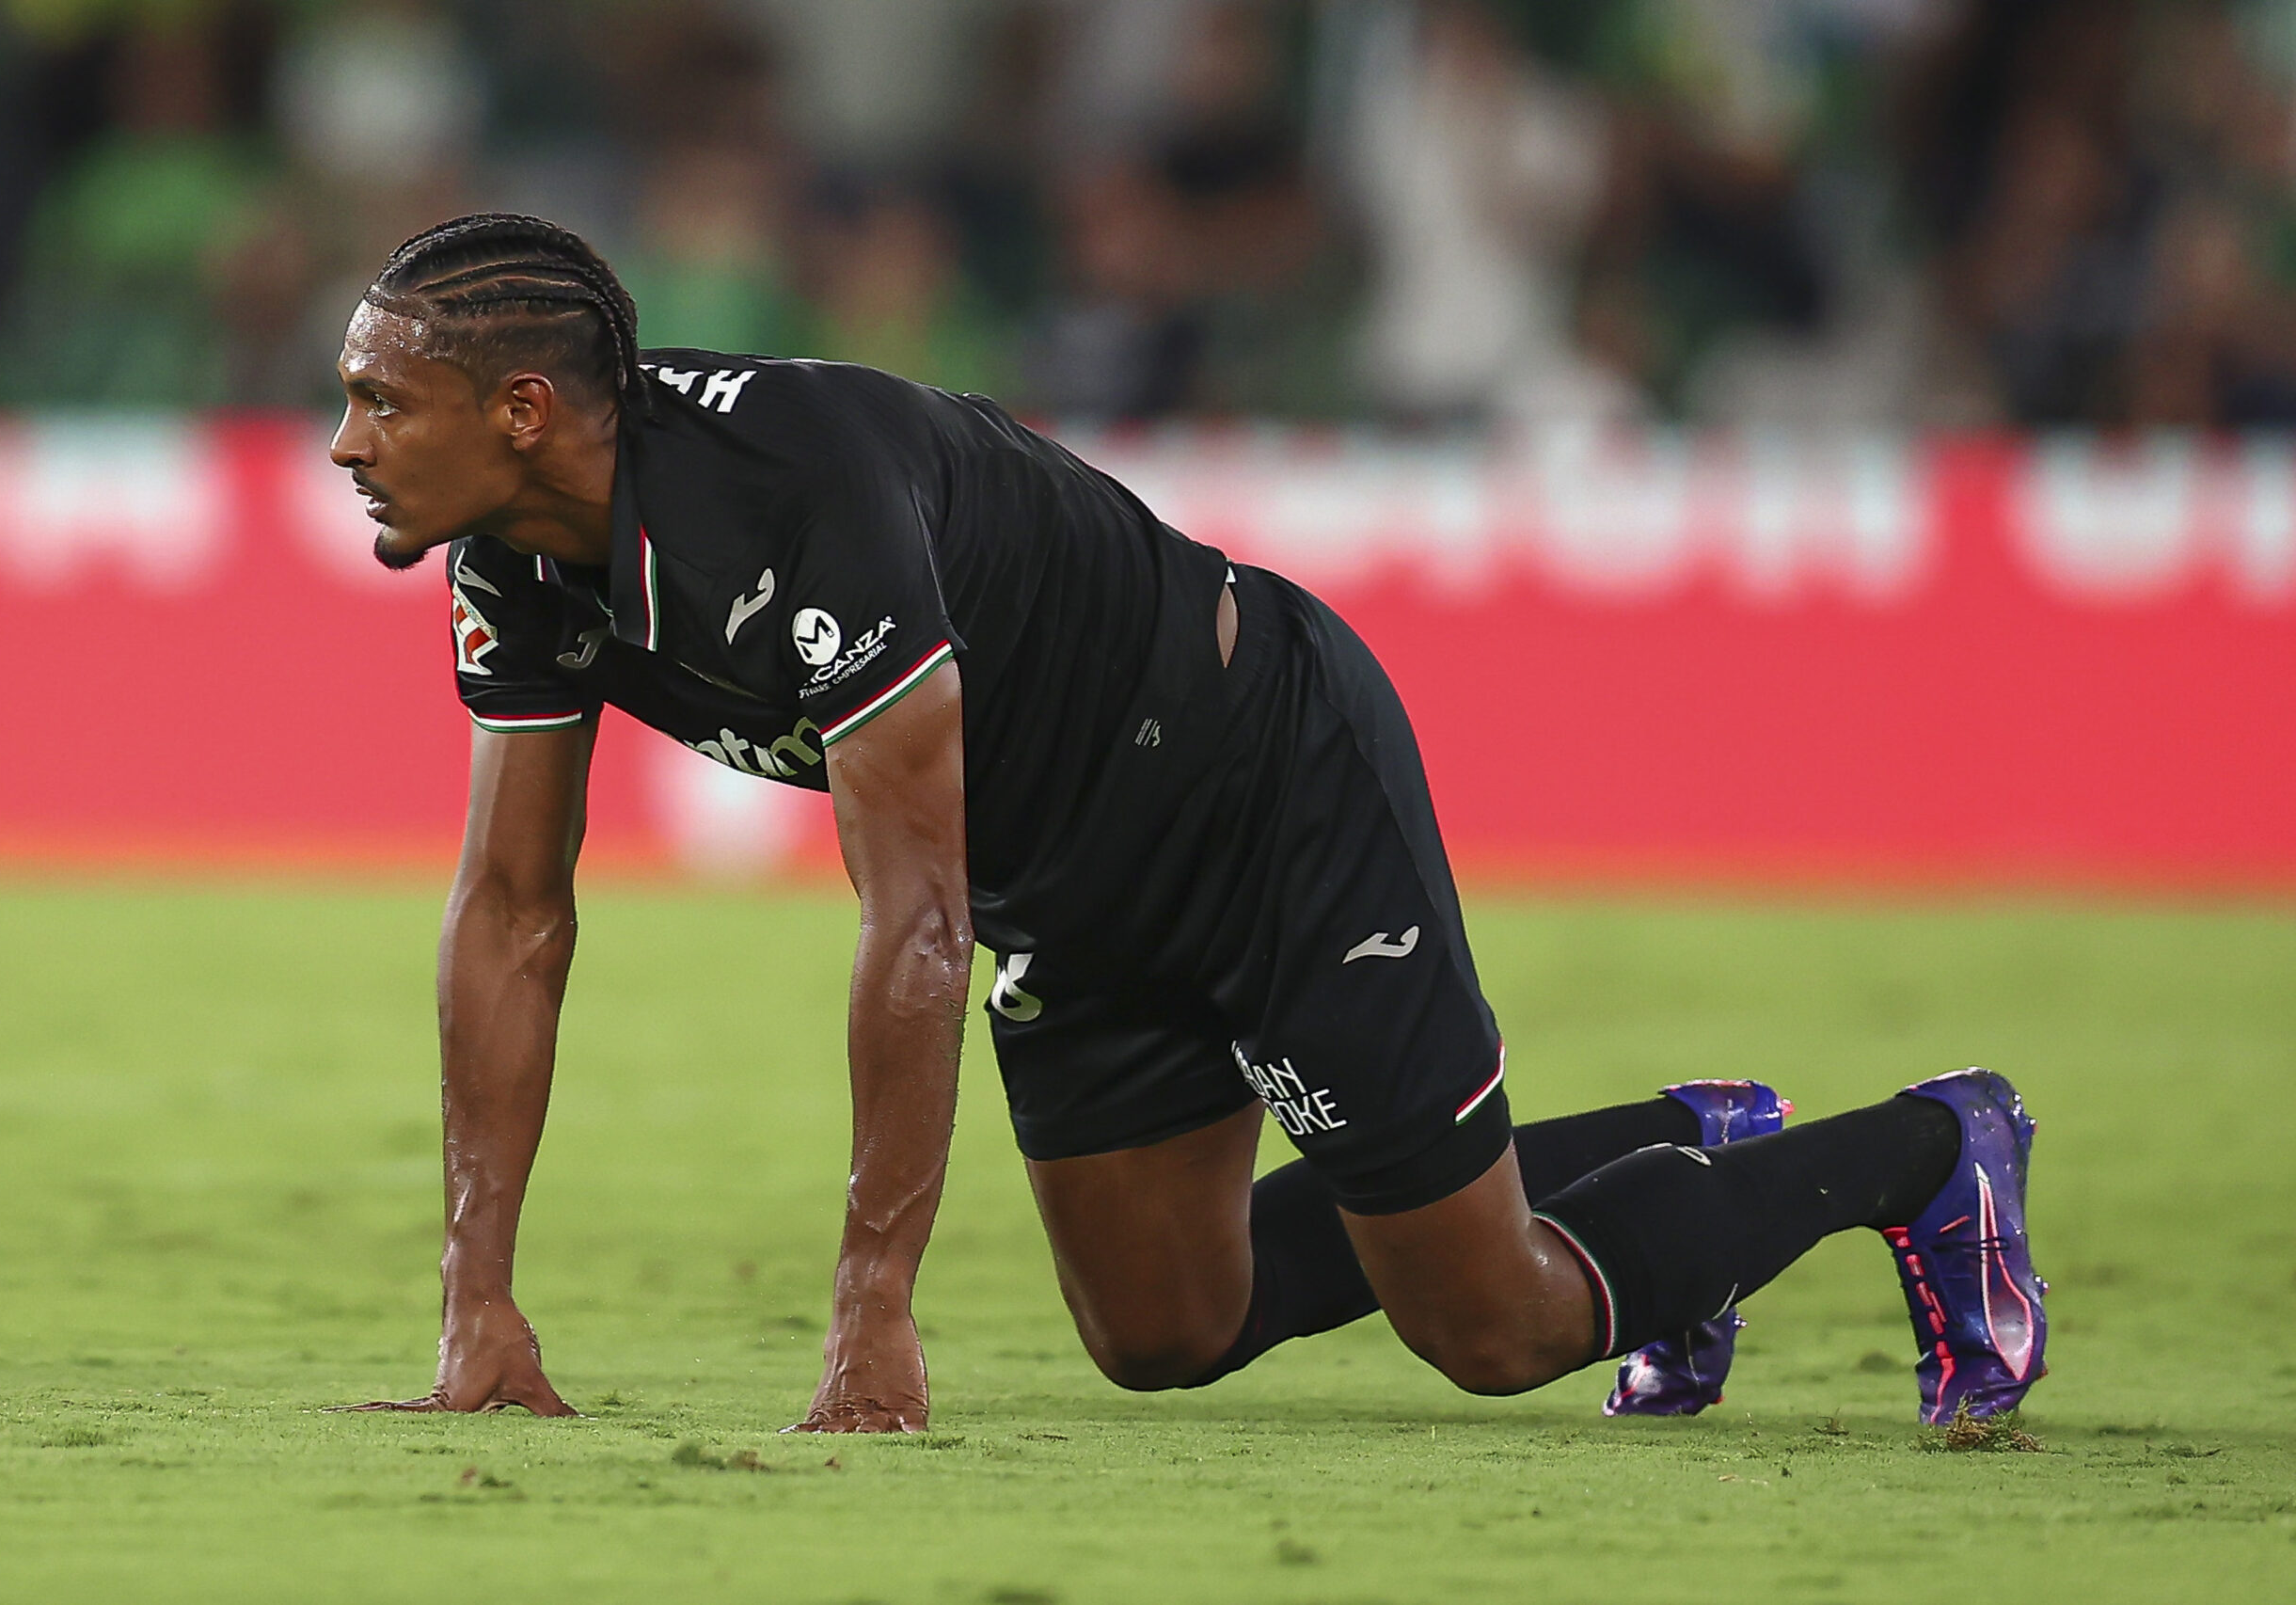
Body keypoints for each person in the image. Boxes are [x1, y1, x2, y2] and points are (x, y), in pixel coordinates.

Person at [327, 214, 2045, 1431]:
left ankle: (1928, 1150)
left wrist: (872, 1306)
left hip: (1256, 788)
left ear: (527, 412)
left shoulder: (803, 487)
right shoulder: (511, 564)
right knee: (1161, 1329)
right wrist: (478, 1289)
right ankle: (1692, 1144)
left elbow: (913, 922)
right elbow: (511, 916)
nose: (346, 444)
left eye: (381, 403)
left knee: (1493, 1320)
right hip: (1070, 890)